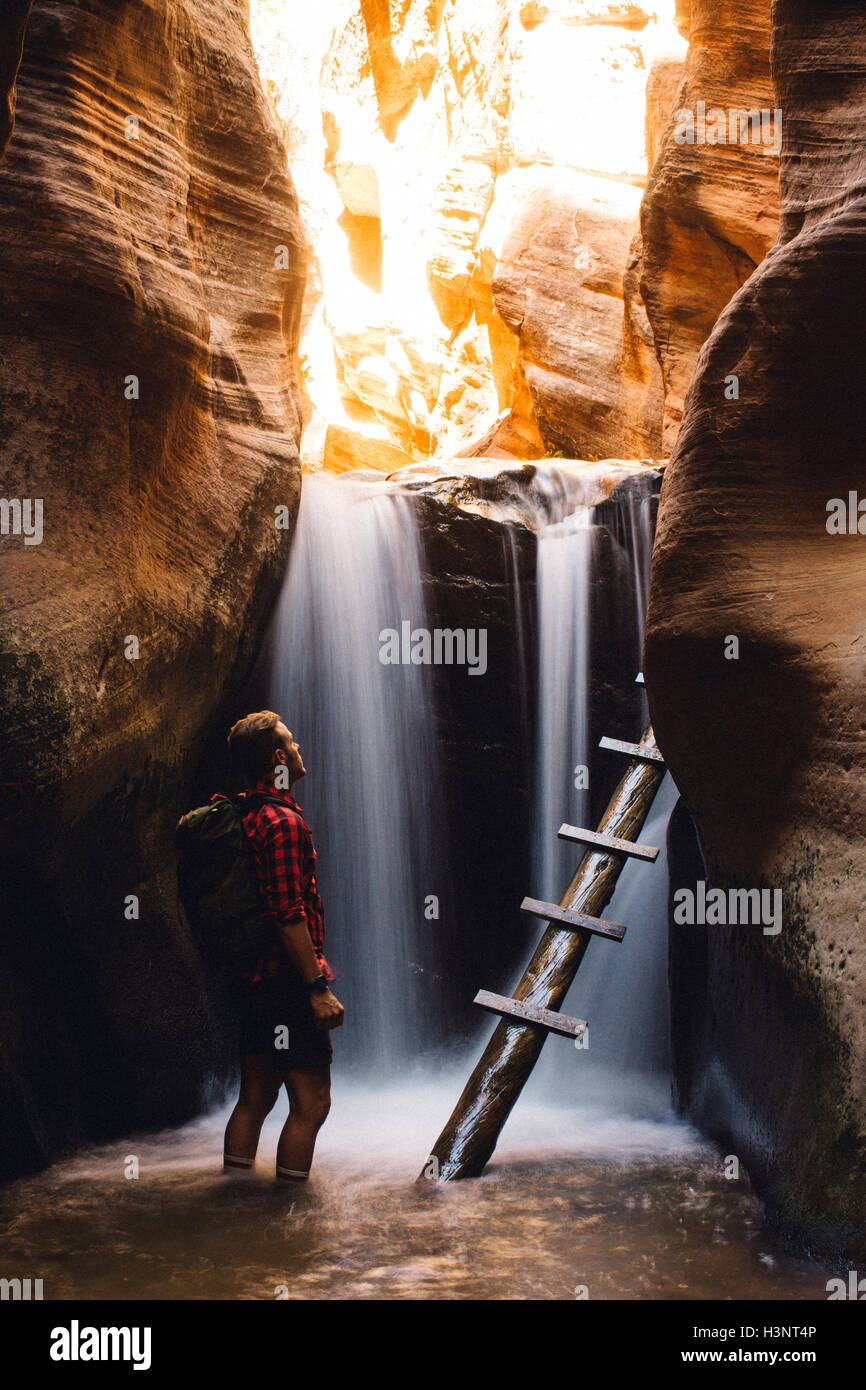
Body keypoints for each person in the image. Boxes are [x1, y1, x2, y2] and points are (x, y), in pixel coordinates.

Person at [214, 711, 343, 1183]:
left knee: (256, 1095)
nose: (299, 748)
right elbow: (288, 915)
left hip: (251, 979)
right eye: (292, 743)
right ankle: (288, 1218)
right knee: (312, 1102)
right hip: (286, 981)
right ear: (277, 758)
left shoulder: (245, 812)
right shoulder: (282, 822)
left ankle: (234, 1199)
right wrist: (317, 987)